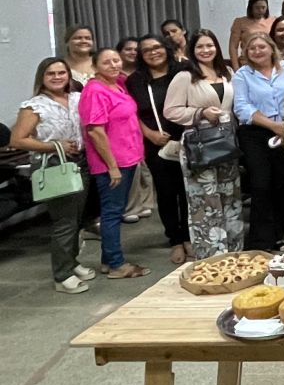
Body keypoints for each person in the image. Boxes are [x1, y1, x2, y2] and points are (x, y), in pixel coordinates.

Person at [11, 58, 97, 293]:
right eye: (51, 73)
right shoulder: (34, 106)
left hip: (79, 162)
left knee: (77, 219)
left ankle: (71, 262)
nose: (57, 77)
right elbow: (18, 140)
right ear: (42, 77)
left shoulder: (77, 98)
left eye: (62, 72)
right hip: (54, 165)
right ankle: (62, 275)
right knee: (64, 222)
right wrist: (54, 146)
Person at [164, 30, 242, 258]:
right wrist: (200, 113)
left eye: (210, 45)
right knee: (205, 201)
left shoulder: (226, 72)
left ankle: (234, 252)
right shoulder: (185, 76)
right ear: (192, 50)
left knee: (230, 198)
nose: (206, 50)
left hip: (227, 143)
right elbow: (171, 111)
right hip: (200, 145)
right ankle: (212, 256)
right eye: (200, 47)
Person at [81, 48, 150, 278]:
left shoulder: (118, 84)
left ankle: (107, 260)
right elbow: (95, 132)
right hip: (111, 163)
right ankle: (116, 265)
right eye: (106, 62)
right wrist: (112, 166)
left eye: (116, 60)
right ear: (95, 66)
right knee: (112, 213)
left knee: (116, 210)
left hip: (127, 158)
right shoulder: (95, 91)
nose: (113, 65)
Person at [126, 35, 191, 264]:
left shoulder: (183, 71)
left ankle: (189, 236)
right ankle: (175, 239)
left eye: (157, 47)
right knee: (166, 192)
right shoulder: (135, 80)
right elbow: (132, 113)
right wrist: (150, 134)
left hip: (186, 140)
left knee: (187, 190)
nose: (153, 52)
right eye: (146, 50)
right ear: (141, 56)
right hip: (156, 144)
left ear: (166, 48)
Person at [232, 32, 284, 252]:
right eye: (252, 48)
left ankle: (277, 235)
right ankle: (260, 241)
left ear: (271, 48)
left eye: (262, 47)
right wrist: (273, 126)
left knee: (280, 184)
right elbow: (242, 107)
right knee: (261, 184)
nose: (257, 51)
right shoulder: (242, 75)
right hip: (255, 133)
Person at [229, 0, 273, 68]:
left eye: (263, 7)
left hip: (269, 62)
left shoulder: (273, 21)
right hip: (247, 63)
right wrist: (236, 68)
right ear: (251, 7)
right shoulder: (240, 22)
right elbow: (233, 47)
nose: (260, 10)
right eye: (257, 8)